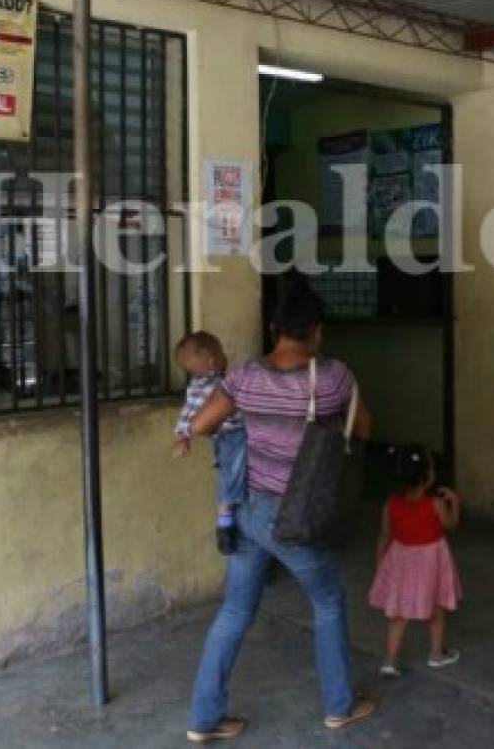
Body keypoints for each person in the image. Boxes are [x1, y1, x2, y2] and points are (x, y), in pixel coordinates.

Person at [184, 276, 376, 743]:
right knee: (328, 602)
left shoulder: (245, 376)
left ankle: (205, 719)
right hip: (298, 518)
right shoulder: (334, 378)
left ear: (274, 328)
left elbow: (204, 425)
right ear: (318, 331)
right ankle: (339, 706)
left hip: (249, 510)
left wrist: (254, 423)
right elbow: (365, 430)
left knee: (234, 610)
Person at [368, 447, 463, 677]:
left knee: (398, 615)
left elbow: (385, 535)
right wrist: (455, 503)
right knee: (437, 609)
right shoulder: (435, 504)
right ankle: (436, 654)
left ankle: (390, 661)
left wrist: (380, 563)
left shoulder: (391, 504)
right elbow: (450, 525)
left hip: (401, 560)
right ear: (428, 477)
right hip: (431, 561)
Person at [172, 332, 247, 555]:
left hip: (222, 436)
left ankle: (227, 517)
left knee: (229, 472)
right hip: (234, 433)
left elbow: (187, 414)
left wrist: (182, 437)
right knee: (232, 475)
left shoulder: (196, 385)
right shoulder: (223, 383)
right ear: (214, 360)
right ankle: (225, 522)